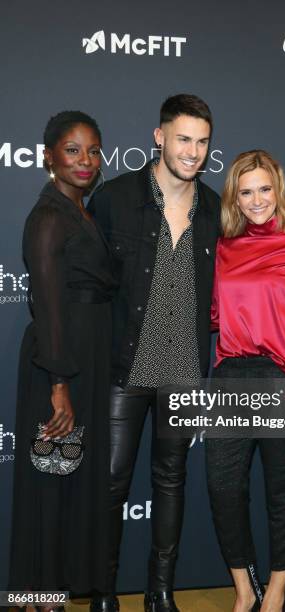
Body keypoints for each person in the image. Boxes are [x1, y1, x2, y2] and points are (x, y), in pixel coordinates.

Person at [88, 94, 220, 612]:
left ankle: (159, 591)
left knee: (171, 481)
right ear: (159, 137)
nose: (193, 151)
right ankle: (102, 591)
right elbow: (89, 289)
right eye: (183, 138)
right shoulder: (115, 199)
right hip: (124, 368)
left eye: (203, 141)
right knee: (112, 482)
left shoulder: (213, 209)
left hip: (185, 371)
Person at [205, 150, 285, 612]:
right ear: (234, 198)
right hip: (231, 374)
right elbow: (215, 315)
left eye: (264, 189)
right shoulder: (222, 248)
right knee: (222, 486)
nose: (257, 200)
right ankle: (244, 589)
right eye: (246, 191)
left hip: (284, 377)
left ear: (277, 190)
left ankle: (277, 592)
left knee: (283, 492)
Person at [9, 111, 116, 609]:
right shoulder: (50, 216)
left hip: (84, 363)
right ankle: (38, 598)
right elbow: (46, 303)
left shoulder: (81, 210)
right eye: (73, 150)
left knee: (67, 478)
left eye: (93, 151)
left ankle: (50, 593)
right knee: (50, 480)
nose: (86, 161)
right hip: (60, 366)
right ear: (48, 155)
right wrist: (58, 383)